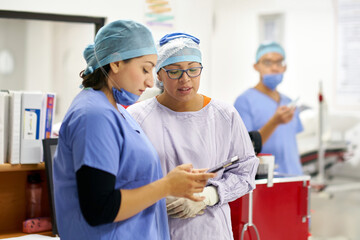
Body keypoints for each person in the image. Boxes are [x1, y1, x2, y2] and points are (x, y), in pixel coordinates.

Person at [53, 20, 215, 240]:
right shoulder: (94, 115)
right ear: (116, 63)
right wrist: (166, 186)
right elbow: (99, 208)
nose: (150, 82)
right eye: (145, 69)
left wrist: (174, 183)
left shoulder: (116, 111)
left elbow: (127, 180)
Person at [127, 32, 259, 240]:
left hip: (210, 231)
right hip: (154, 230)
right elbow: (122, 178)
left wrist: (208, 196)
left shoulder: (224, 115)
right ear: (159, 74)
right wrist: (156, 197)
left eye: (193, 69)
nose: (185, 79)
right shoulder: (136, 117)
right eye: (174, 71)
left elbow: (245, 172)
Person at [234, 41, 304, 175]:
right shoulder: (244, 101)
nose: (275, 68)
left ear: (285, 67)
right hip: (267, 179)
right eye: (268, 63)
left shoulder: (289, 102)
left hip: (294, 176)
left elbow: (291, 144)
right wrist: (274, 122)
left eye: (279, 63)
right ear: (256, 66)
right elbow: (246, 148)